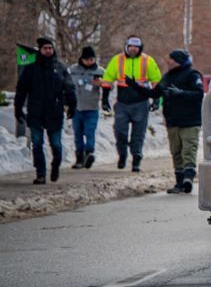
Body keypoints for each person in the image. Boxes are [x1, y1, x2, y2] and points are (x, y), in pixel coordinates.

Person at [127, 50, 204, 194]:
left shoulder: (192, 75)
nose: (166, 61)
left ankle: (188, 177)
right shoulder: (167, 77)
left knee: (188, 150)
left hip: (190, 121)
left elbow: (199, 93)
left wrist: (181, 93)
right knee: (176, 152)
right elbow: (154, 93)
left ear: (178, 61)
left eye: (170, 59)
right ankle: (179, 182)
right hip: (172, 121)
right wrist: (134, 85)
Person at [13, 37, 76, 184]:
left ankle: (55, 165)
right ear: (40, 50)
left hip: (54, 111)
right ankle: (40, 173)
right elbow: (21, 89)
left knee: (56, 144)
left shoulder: (60, 68)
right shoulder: (31, 68)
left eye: (50, 48)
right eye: (45, 48)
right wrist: (18, 108)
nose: (48, 51)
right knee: (37, 142)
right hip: (36, 111)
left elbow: (69, 88)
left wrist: (72, 105)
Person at [100, 35, 162, 172]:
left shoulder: (148, 61)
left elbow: (156, 80)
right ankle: (122, 154)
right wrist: (104, 99)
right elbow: (107, 79)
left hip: (141, 102)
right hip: (122, 103)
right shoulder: (117, 60)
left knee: (138, 134)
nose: (133, 49)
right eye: (131, 46)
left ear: (140, 48)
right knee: (120, 131)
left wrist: (156, 100)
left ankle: (136, 158)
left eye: (136, 47)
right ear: (126, 47)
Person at [67, 46, 105, 169]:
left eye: (92, 59)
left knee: (90, 132)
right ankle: (79, 158)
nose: (90, 61)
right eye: (87, 59)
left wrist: (102, 84)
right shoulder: (72, 70)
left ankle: (89, 154)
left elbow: (110, 86)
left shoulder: (100, 71)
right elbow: (66, 84)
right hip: (76, 108)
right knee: (77, 134)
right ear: (82, 59)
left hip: (92, 108)